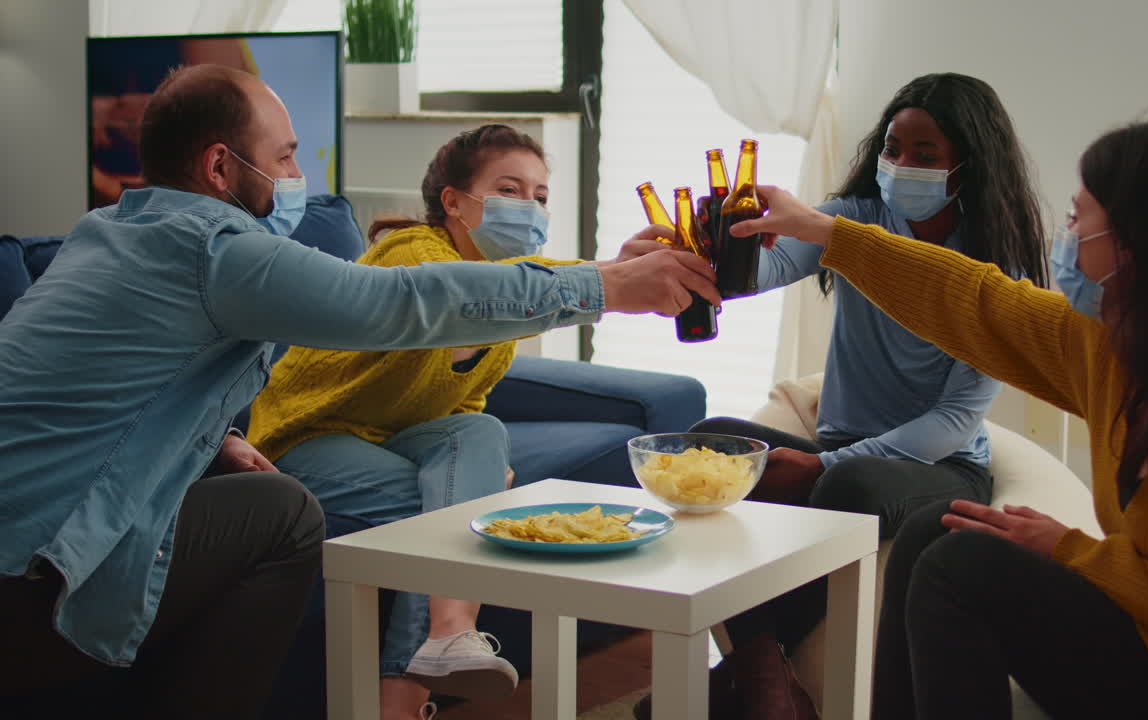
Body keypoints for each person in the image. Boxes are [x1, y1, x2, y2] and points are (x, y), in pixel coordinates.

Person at [0, 64, 718, 720]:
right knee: (283, 516)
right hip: (25, 578)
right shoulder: (216, 251)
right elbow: (402, 302)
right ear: (221, 166)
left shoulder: (108, 232)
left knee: (282, 497)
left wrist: (214, 436)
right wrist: (606, 286)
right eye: (283, 156)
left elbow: (104, 380)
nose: (296, 175)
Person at [733, 116, 1148, 718]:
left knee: (962, 568)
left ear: (1134, 242)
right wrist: (824, 231)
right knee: (936, 530)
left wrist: (1073, 551)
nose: (1064, 236)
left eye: (1077, 218)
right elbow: (971, 299)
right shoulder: (1109, 346)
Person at [246, 124, 669, 718]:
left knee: (482, 435)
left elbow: (461, 406)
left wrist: (479, 465)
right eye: (509, 189)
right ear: (454, 202)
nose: (529, 207)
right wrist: (610, 275)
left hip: (390, 441)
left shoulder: (511, 288)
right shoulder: (413, 253)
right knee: (460, 510)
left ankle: (446, 634)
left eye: (541, 196)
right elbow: (482, 294)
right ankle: (406, 691)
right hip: (304, 438)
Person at [675, 73, 1048, 720]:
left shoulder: (995, 266)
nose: (901, 166)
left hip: (939, 467)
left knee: (851, 489)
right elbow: (766, 271)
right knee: (707, 442)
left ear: (969, 164)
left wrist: (824, 466)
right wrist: (724, 249)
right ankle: (767, 675)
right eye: (892, 148)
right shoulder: (852, 223)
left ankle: (743, 684)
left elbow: (957, 419)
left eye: (924, 154)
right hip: (842, 446)